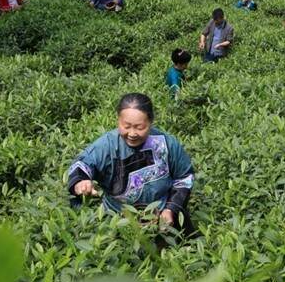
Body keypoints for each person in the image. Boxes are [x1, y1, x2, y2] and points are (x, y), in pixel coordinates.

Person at [67, 93, 195, 229]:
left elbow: (185, 177)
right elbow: (82, 165)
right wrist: (81, 182)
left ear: (150, 122)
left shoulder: (167, 144)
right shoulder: (107, 145)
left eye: (139, 127)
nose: (132, 133)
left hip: (163, 215)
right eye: (126, 126)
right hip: (117, 218)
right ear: (118, 120)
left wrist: (171, 209)